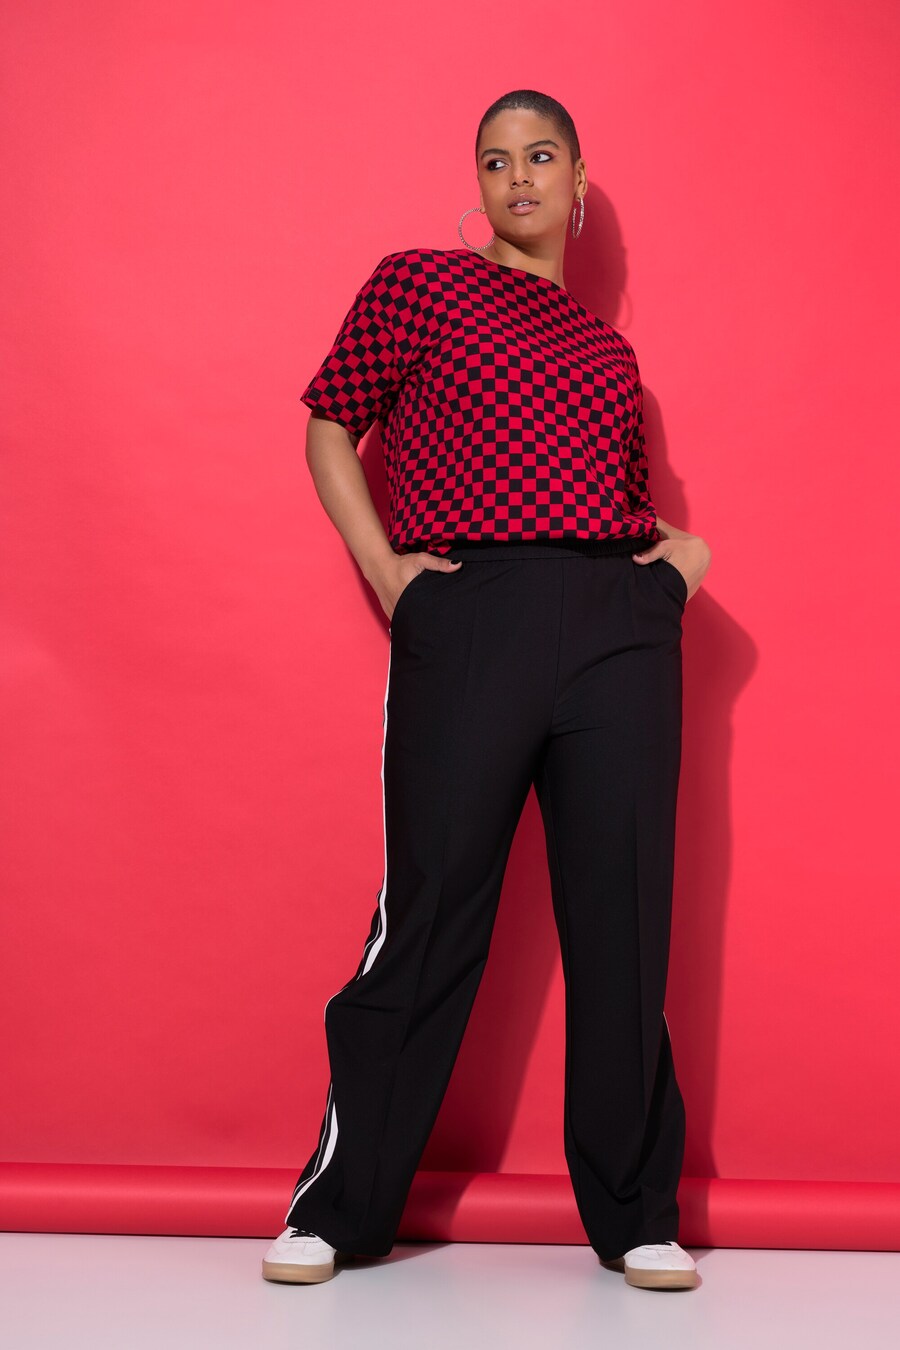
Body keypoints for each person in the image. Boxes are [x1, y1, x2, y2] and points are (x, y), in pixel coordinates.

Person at [262, 89, 711, 1293]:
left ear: (578, 180)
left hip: (616, 627)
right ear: (481, 184)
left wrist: (678, 572)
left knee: (623, 918)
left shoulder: (610, 354)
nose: (519, 177)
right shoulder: (421, 285)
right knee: (433, 905)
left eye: (541, 155)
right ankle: (341, 1206)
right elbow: (328, 425)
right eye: (496, 160)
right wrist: (389, 574)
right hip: (473, 613)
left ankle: (635, 1212)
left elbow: (621, 504)